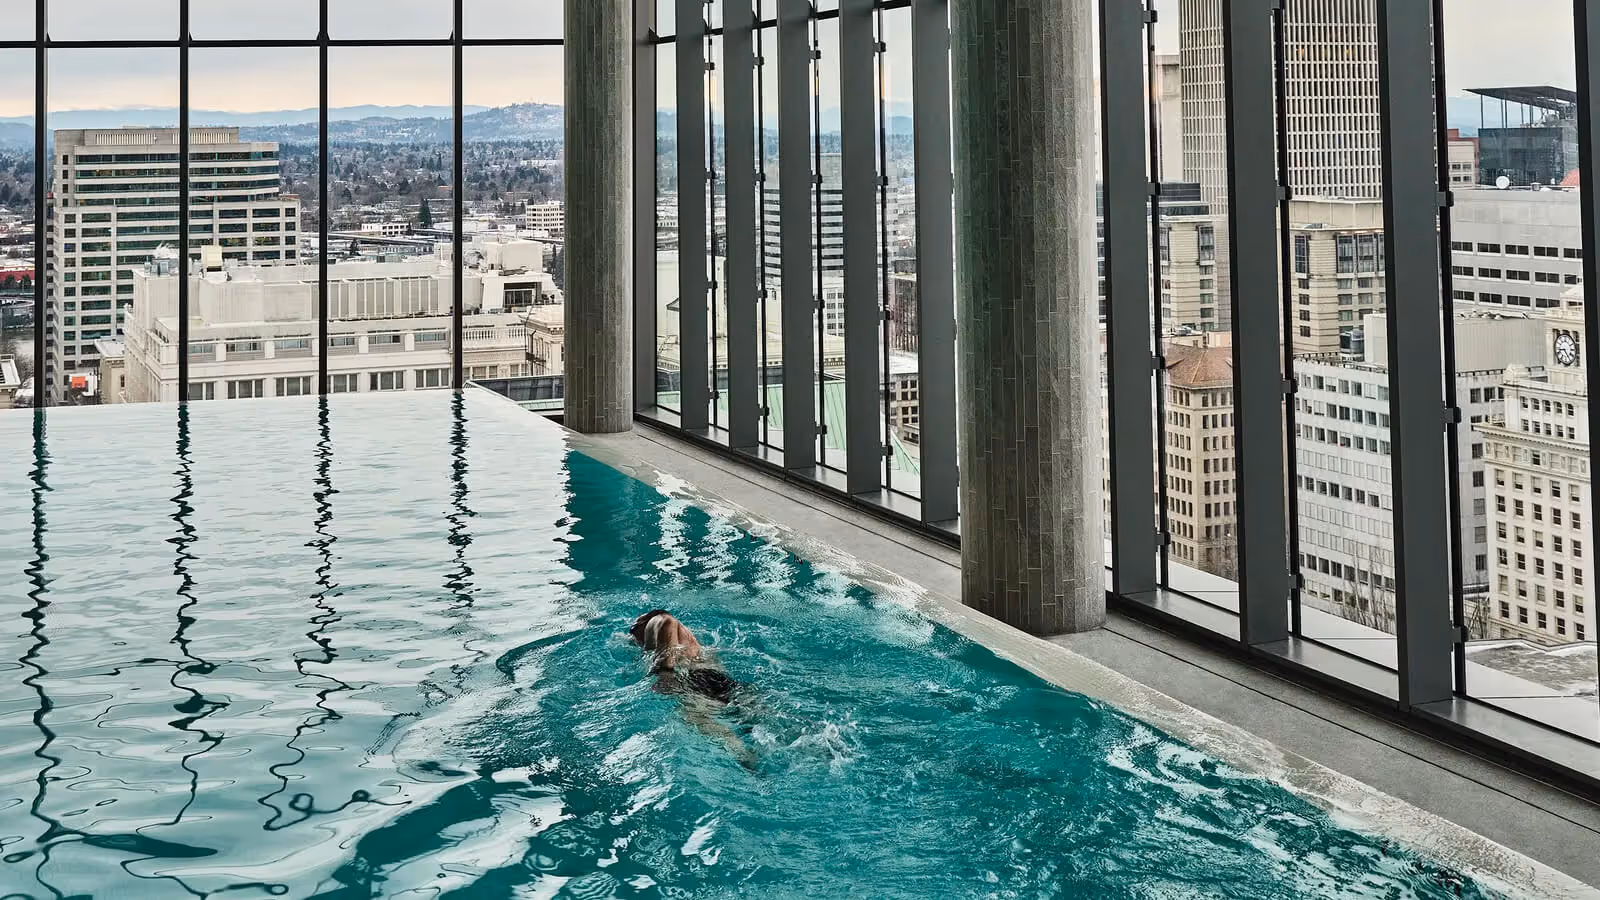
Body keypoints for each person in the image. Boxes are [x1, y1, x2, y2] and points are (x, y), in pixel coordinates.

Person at [629, 610, 754, 767]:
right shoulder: (688, 641)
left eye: (632, 631)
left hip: (695, 680)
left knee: (697, 719)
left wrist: (665, 672)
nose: (633, 639)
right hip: (724, 681)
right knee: (763, 716)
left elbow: (667, 621)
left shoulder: (653, 621)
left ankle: (746, 759)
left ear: (640, 623)